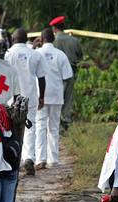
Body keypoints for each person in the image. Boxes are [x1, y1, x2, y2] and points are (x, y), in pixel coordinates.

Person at [5, 28, 47, 175]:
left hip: (11, 97)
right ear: (25, 39)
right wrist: (42, 97)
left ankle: (12, 157)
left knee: (9, 126)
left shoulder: (7, 54)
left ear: (13, 38)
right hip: (30, 96)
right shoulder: (35, 54)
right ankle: (28, 157)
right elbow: (41, 78)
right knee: (30, 126)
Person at [35, 28, 72, 169]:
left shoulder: (36, 54)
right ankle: (53, 159)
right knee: (54, 128)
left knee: (40, 126)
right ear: (53, 39)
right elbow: (67, 76)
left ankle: (40, 159)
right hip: (56, 95)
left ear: (41, 39)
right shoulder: (60, 55)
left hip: (40, 96)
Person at [49, 15, 83, 130]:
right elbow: (80, 57)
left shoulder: (53, 42)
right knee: (68, 98)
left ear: (54, 28)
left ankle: (56, 123)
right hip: (71, 73)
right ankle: (66, 122)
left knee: (58, 98)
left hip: (56, 74)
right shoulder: (74, 41)